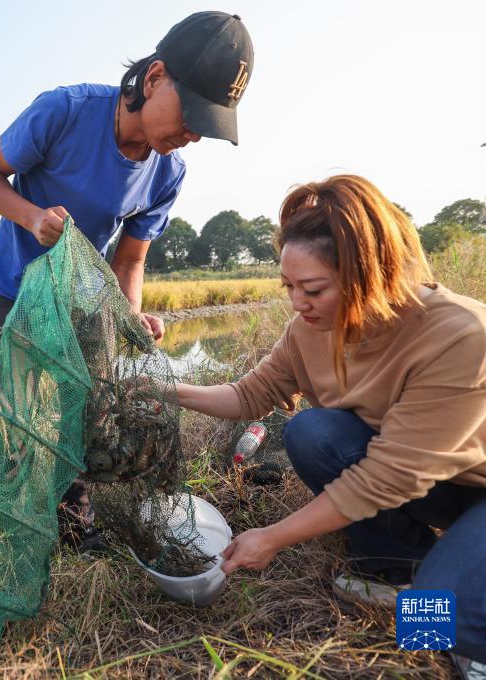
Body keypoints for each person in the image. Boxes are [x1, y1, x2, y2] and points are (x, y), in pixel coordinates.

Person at [0, 11, 254, 552]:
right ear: (153, 79)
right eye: (191, 114)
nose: (192, 134)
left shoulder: (168, 171)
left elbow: (129, 262)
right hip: (14, 296)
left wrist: (131, 319)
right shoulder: (65, 111)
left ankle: (76, 526)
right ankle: (10, 529)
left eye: (207, 127)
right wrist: (30, 217)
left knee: (84, 414)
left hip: (82, 305)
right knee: (22, 418)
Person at [176, 175, 486, 671]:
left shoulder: (461, 334)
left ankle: (471, 636)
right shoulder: (310, 329)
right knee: (312, 431)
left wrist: (272, 537)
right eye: (289, 287)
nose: (298, 303)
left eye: (313, 289)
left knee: (433, 617)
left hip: (472, 483)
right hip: (437, 481)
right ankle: (392, 569)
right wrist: (166, 391)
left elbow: (386, 479)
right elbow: (249, 395)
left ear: (370, 274)